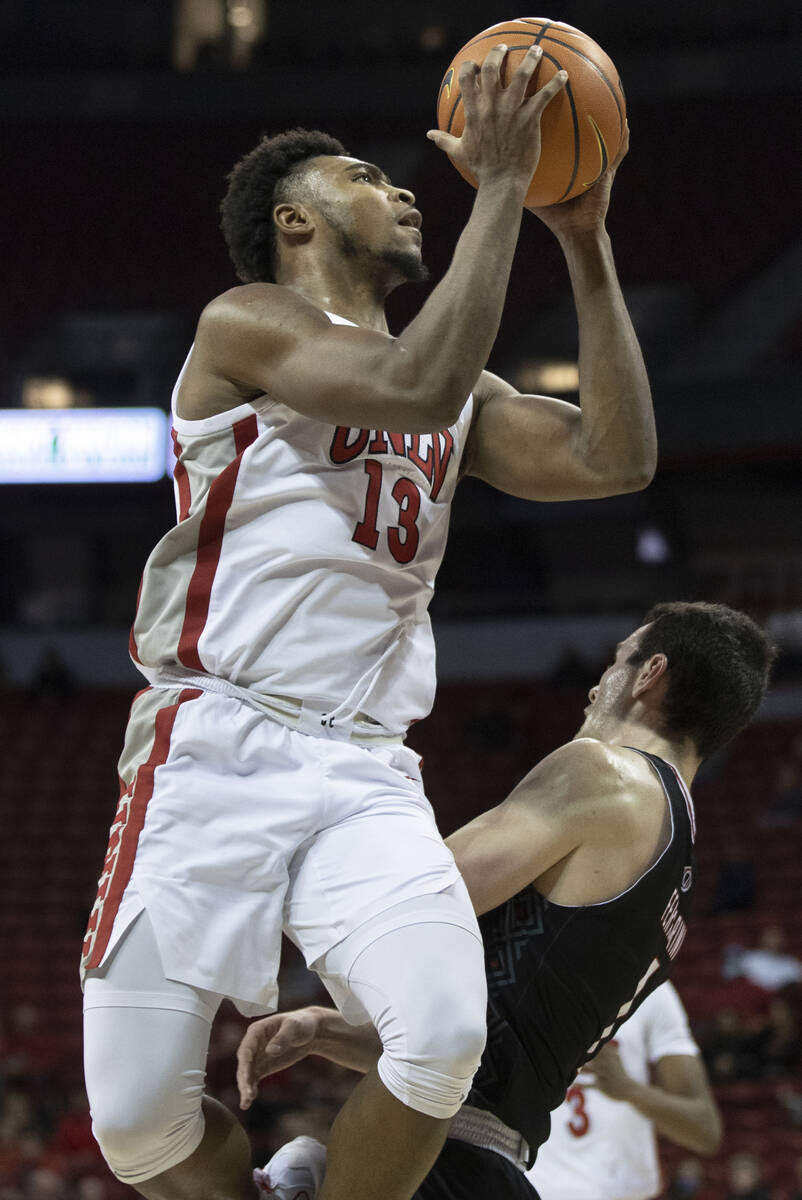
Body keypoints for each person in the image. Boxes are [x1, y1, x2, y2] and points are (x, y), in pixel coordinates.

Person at [80, 43, 657, 1200]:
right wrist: (497, 183)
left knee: (442, 1039)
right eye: (362, 174)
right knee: (138, 1128)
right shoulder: (244, 324)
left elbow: (616, 456)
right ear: (294, 220)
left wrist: (579, 239)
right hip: (213, 746)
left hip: (362, 766)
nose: (401, 189)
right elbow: (408, 392)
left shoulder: (456, 385)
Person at [237, 601, 774, 1200]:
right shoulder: (677, 868)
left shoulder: (605, 774)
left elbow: (415, 900)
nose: (595, 687)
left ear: (650, 674)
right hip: (488, 1164)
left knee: (264, 1166)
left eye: (616, 661)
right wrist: (322, 1029)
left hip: (439, 1162)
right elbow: (501, 1043)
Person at [527, 982, 722, 1200]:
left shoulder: (652, 986)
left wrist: (629, 1090)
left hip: (623, 1192)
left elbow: (706, 1130)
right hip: (530, 1188)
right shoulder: (520, 975)